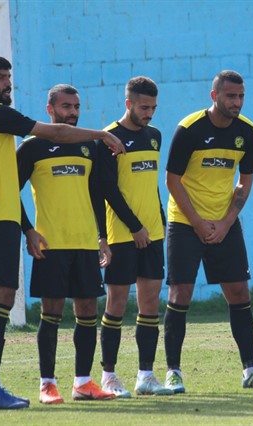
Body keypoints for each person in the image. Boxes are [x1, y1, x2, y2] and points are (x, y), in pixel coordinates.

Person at [0, 56, 123, 410]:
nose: (7, 83)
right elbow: (55, 132)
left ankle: (75, 382)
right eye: (0, 77)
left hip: (2, 217)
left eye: (8, 76)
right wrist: (102, 133)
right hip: (2, 220)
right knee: (2, 300)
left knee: (7, 299)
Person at [163, 70, 253, 392]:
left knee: (240, 293)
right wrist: (198, 223)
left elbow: (244, 181)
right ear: (214, 96)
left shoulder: (248, 132)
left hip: (224, 223)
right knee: (179, 294)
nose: (237, 102)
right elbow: (172, 181)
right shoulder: (189, 129)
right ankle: (173, 372)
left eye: (241, 96)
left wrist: (226, 222)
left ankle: (251, 370)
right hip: (186, 223)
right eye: (231, 96)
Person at [17, 84, 117, 404]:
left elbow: (96, 193)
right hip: (51, 243)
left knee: (88, 311)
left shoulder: (90, 146)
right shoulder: (32, 147)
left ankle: (83, 383)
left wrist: (102, 237)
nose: (73, 113)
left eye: (76, 107)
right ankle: (47, 384)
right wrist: (28, 230)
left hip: (85, 243)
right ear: (50, 110)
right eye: (66, 107)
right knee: (52, 312)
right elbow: (9, 192)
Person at [97, 76, 173, 397]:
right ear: (128, 103)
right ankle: (109, 376)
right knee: (116, 303)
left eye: (153, 108)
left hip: (153, 233)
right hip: (122, 234)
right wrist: (134, 226)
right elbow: (108, 190)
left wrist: (159, 223)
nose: (149, 114)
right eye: (144, 107)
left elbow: (151, 185)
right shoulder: (108, 138)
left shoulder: (154, 136)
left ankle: (146, 376)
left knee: (150, 304)